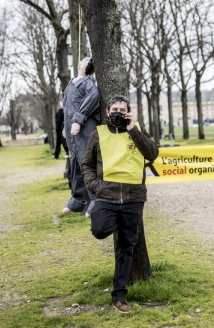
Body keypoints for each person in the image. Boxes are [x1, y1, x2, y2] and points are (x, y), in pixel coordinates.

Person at [81, 95, 159, 313]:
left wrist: (133, 129)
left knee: (126, 246)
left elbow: (153, 154)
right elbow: (86, 164)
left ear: (128, 112)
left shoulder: (138, 131)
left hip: (134, 198)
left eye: (122, 109)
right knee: (99, 230)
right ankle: (106, 217)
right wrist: (95, 186)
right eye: (114, 109)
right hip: (107, 196)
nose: (117, 112)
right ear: (107, 112)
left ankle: (119, 296)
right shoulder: (99, 134)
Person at [62, 57, 100, 216]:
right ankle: (76, 200)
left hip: (84, 131)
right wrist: (66, 125)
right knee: (75, 164)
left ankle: (96, 201)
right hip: (72, 134)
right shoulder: (72, 83)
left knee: (87, 164)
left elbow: (94, 97)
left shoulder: (87, 83)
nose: (85, 60)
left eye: (87, 60)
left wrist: (78, 120)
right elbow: (68, 107)